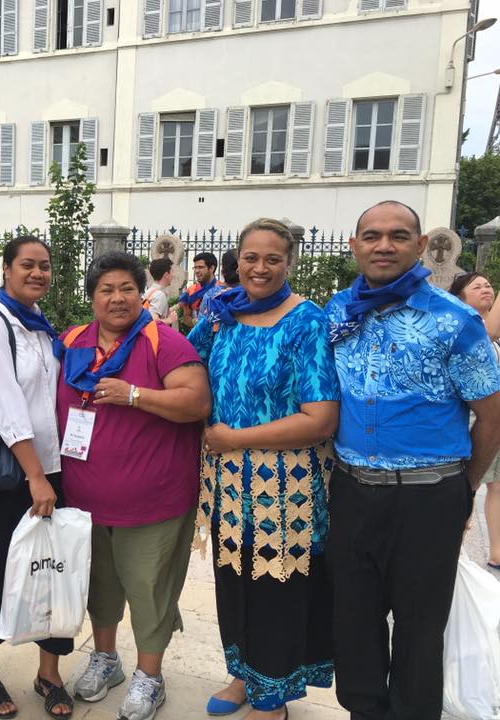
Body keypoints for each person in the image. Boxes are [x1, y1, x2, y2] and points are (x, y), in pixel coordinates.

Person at [325, 201, 500, 720]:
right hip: (352, 489)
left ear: (421, 246)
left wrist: (463, 490)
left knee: (421, 626)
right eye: (372, 236)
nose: (384, 245)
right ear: (354, 246)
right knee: (354, 619)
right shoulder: (339, 311)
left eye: (398, 236)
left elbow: (491, 417)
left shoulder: (455, 321)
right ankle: (363, 711)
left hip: (429, 496)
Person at [188, 219, 339, 719]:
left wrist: (234, 439)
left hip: (287, 485)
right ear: (237, 260)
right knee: (234, 582)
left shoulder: (306, 321)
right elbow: (185, 367)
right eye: (251, 257)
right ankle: (242, 676)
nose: (260, 268)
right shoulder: (223, 316)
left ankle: (273, 697)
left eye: (273, 259)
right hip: (229, 485)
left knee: (278, 588)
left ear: (289, 263)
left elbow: (320, 418)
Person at [58, 251, 210, 720]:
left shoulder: (162, 342)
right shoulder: (74, 342)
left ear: (141, 293)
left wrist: (135, 395)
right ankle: (106, 660)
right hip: (86, 499)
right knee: (99, 588)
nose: (117, 298)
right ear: (92, 297)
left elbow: (196, 401)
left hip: (153, 501)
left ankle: (151, 676)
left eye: (127, 288)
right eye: (106, 289)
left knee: (148, 588)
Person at [0, 236, 74, 719]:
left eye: (45, 266)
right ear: (5, 270)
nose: (37, 273)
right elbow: (7, 407)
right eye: (27, 265)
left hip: (51, 466)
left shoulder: (40, 328)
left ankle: (49, 671)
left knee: (55, 571)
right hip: (9, 473)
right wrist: (35, 475)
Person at [449, 271, 500, 570]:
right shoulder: (472, 327)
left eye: (488, 285)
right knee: (464, 494)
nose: (485, 290)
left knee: (495, 487)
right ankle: (452, 552)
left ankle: (495, 550)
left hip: (492, 422)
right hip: (472, 426)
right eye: (476, 286)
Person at [178, 252, 219, 328]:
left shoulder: (221, 290)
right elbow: (186, 317)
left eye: (200, 267)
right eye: (195, 268)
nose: (196, 271)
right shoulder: (191, 290)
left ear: (211, 268)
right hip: (197, 336)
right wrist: (196, 323)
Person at [143, 258, 178, 324]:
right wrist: (169, 320)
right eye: (172, 271)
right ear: (166, 275)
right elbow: (152, 321)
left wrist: (175, 307)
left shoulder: (151, 291)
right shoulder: (159, 294)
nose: (173, 275)